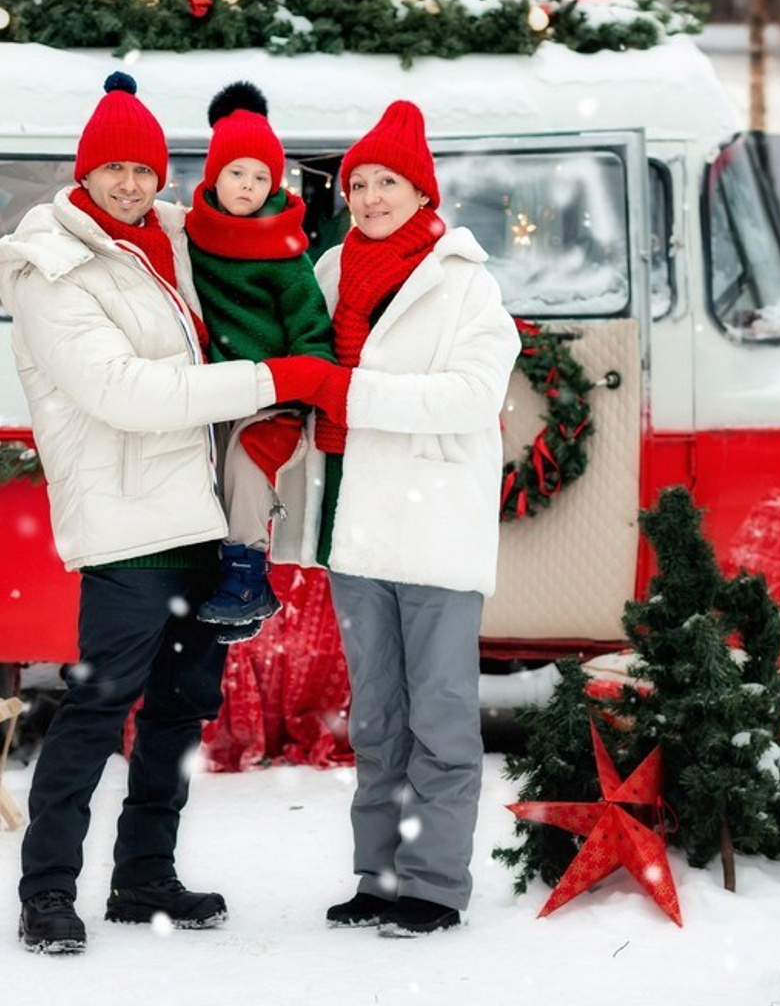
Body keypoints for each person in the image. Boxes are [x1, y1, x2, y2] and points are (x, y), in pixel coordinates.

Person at [0, 71, 348, 955]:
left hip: (200, 516)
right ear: (84, 172)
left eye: (143, 169)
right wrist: (275, 378)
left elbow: (255, 236)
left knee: (181, 710)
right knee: (97, 708)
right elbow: (126, 391)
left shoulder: (171, 241)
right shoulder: (54, 266)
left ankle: (145, 874)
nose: (129, 183)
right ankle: (47, 891)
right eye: (112, 168)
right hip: (128, 526)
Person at [271, 99, 520, 938]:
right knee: (377, 718)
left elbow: (472, 397)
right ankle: (378, 877)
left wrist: (351, 395)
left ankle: (435, 885)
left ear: (421, 193)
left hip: (435, 531)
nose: (371, 197)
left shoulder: (466, 282)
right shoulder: (331, 271)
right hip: (357, 530)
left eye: (388, 182)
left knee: (441, 718)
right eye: (360, 184)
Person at [185, 81, 335, 645]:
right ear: (213, 177)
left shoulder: (284, 250)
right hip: (213, 395)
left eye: (260, 176)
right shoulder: (190, 237)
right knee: (212, 478)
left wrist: (300, 377)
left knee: (247, 465)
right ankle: (231, 588)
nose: (248, 186)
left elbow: (312, 330)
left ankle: (248, 575)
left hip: (273, 399)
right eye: (236, 173)